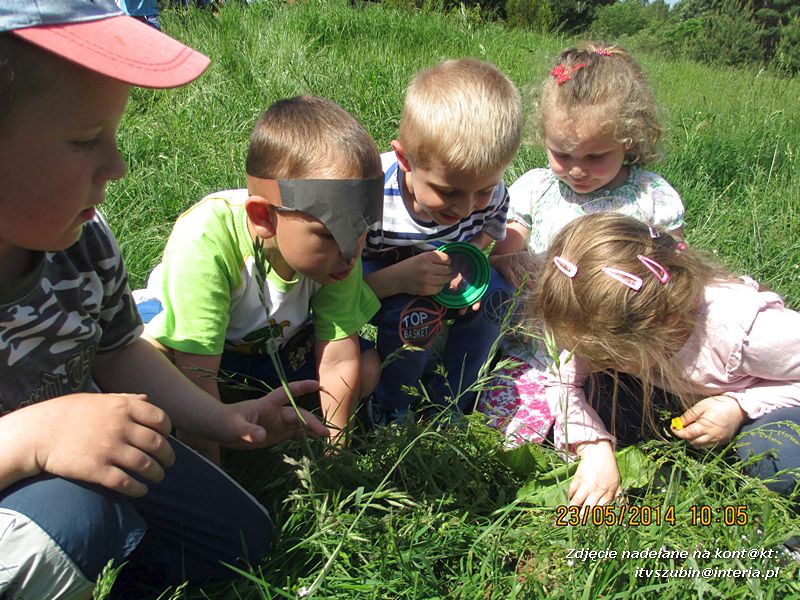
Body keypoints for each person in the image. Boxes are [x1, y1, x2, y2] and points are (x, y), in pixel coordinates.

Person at [0, 1, 329, 598]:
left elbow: (119, 351)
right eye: (84, 140)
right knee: (73, 525)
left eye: (114, 135)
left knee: (239, 537)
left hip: (77, 451)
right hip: (29, 481)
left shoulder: (83, 241)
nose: (118, 166)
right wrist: (31, 440)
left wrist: (222, 419)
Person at [136, 95, 384, 459]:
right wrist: (216, 479)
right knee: (147, 396)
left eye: (362, 232)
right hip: (182, 345)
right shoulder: (207, 240)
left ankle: (270, 420)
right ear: (265, 218)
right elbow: (197, 375)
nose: (352, 252)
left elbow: (337, 355)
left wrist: (336, 450)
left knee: (366, 368)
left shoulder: (337, 257)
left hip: (267, 347)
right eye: (329, 235)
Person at [481, 43, 685, 446]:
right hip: (536, 343)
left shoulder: (648, 197)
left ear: (630, 137)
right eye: (562, 153)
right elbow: (505, 253)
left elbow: (675, 273)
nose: (576, 169)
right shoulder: (538, 188)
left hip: (611, 350)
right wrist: (513, 259)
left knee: (629, 421)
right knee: (505, 428)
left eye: (595, 156)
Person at [534, 212, 800, 507]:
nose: (591, 360)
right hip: (687, 400)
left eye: (607, 355)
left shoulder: (744, 331)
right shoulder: (598, 322)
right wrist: (593, 448)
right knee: (597, 390)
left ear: (667, 321)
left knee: (778, 453)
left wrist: (739, 407)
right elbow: (563, 381)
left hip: (766, 403)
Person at [362, 57, 523, 424]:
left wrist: (467, 268)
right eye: (448, 191)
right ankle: (392, 405)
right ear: (405, 159)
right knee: (415, 313)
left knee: (497, 296)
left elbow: (487, 231)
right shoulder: (370, 196)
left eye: (482, 191)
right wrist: (401, 279)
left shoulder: (494, 194)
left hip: (444, 274)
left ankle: (450, 399)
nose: (466, 208)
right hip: (381, 281)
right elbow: (338, 284)